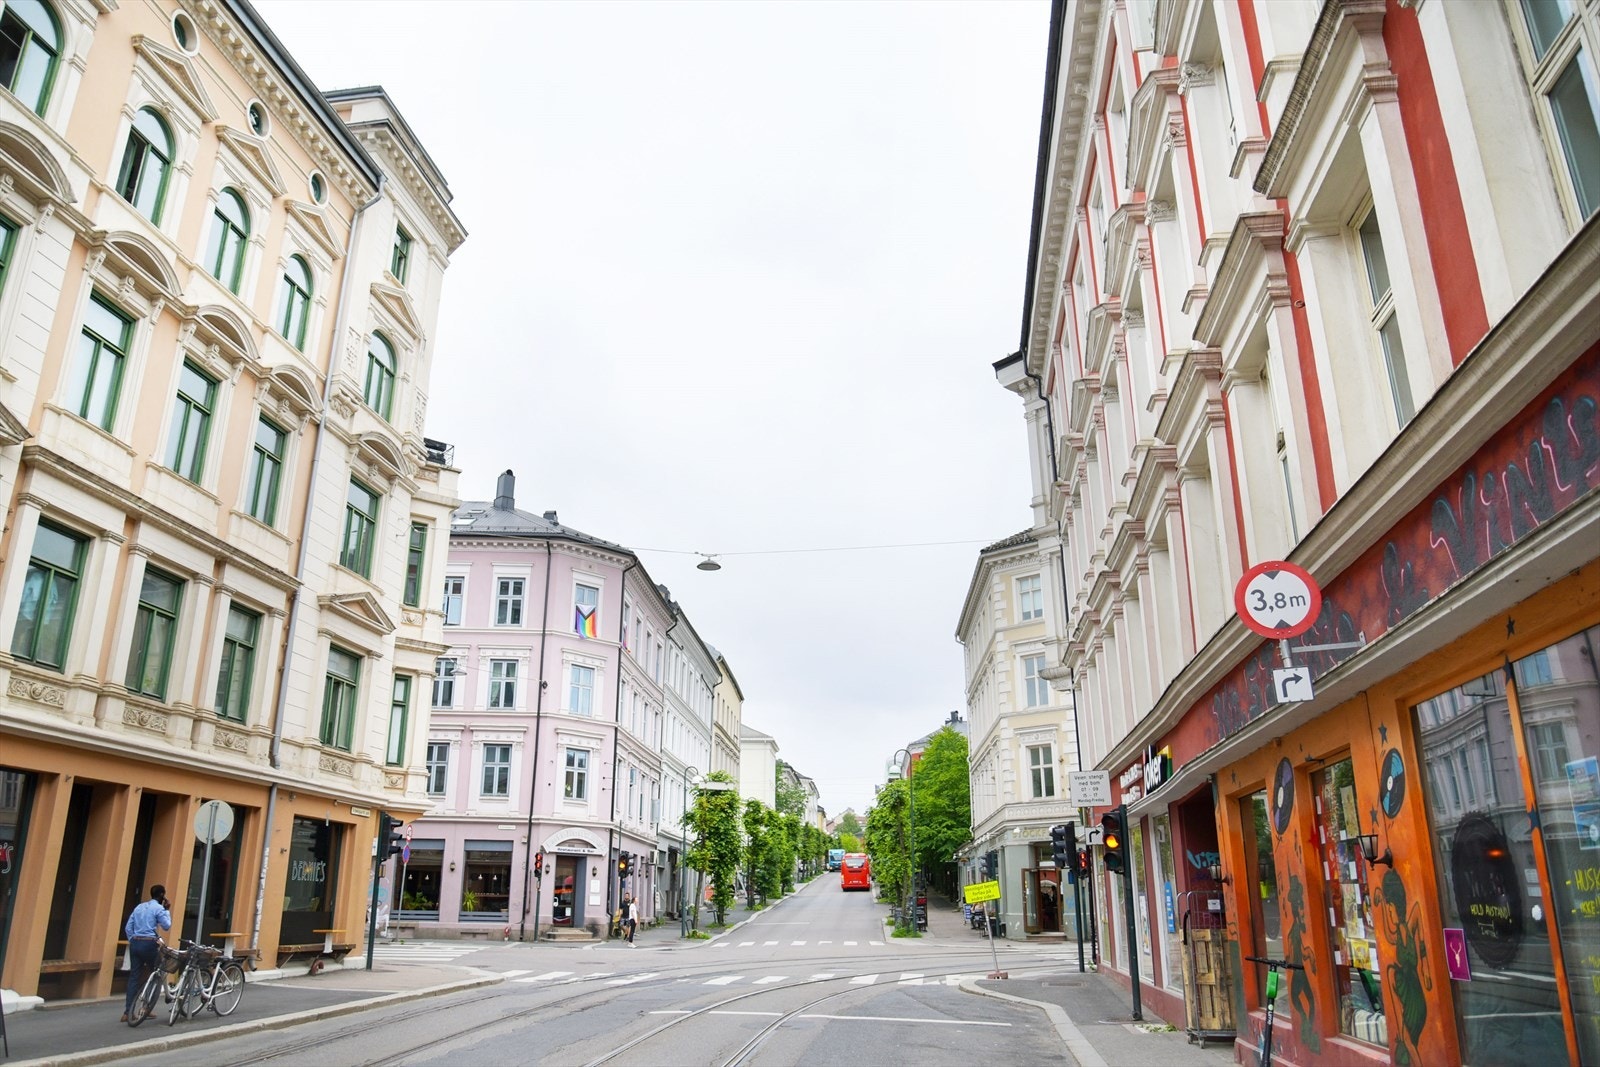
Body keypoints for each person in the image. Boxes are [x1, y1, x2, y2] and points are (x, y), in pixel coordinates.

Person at [122, 884, 172, 1022]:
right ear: (162, 895)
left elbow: (128, 927)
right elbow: (166, 926)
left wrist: (133, 939)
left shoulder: (139, 907)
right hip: (149, 943)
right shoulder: (159, 908)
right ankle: (146, 1008)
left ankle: (127, 1012)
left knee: (134, 976)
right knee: (157, 974)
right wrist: (167, 910)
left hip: (136, 943)